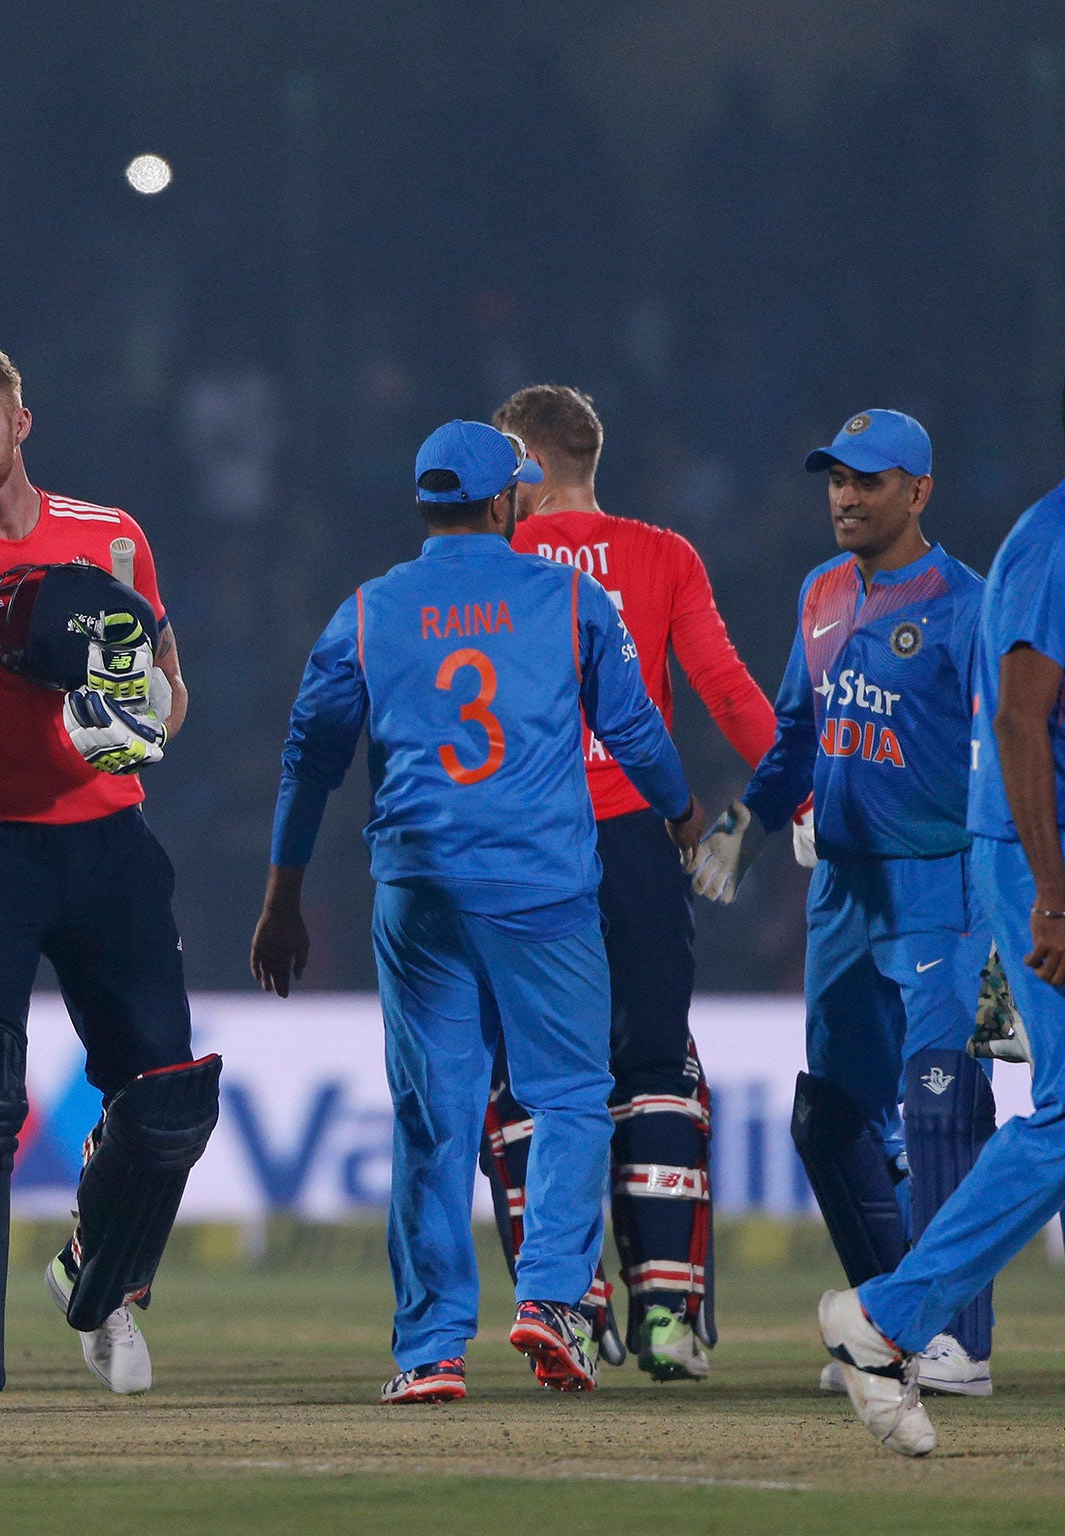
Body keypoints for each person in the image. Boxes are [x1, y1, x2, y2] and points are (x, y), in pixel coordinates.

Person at [818, 344, 1065, 1458]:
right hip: (1062, 853)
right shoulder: (1054, 539)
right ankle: (885, 1318)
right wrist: (1049, 894)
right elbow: (1015, 722)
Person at [252, 419, 705, 1404]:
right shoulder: (569, 599)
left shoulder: (367, 612)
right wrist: (678, 810)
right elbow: (632, 727)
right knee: (571, 1097)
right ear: (508, 501)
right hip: (538, 887)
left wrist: (282, 896)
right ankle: (548, 1297)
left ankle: (427, 1351)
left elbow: (308, 762)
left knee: (432, 1117)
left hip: (416, 890)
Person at [0, 338, 217, 1412]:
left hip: (108, 841)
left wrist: (134, 726)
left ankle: (100, 1280)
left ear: (21, 424)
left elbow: (171, 693)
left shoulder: (110, 538)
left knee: (165, 1100)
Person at [687, 409, 996, 1396]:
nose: (844, 496)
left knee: (941, 1102)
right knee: (830, 1116)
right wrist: (744, 824)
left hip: (938, 883)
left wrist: (1025, 887)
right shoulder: (819, 593)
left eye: (866, 480)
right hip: (842, 892)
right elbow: (794, 738)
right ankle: (887, 1328)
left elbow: (1014, 753)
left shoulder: (965, 606)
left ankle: (960, 1341)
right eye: (834, 479)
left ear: (918, 491)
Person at [483, 384, 775, 1380]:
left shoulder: (493, 561)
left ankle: (572, 1311)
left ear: (522, 464)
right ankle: (667, 1316)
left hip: (522, 848)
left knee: (528, 1080)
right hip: (633, 843)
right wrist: (801, 795)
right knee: (654, 1071)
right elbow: (727, 690)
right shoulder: (663, 555)